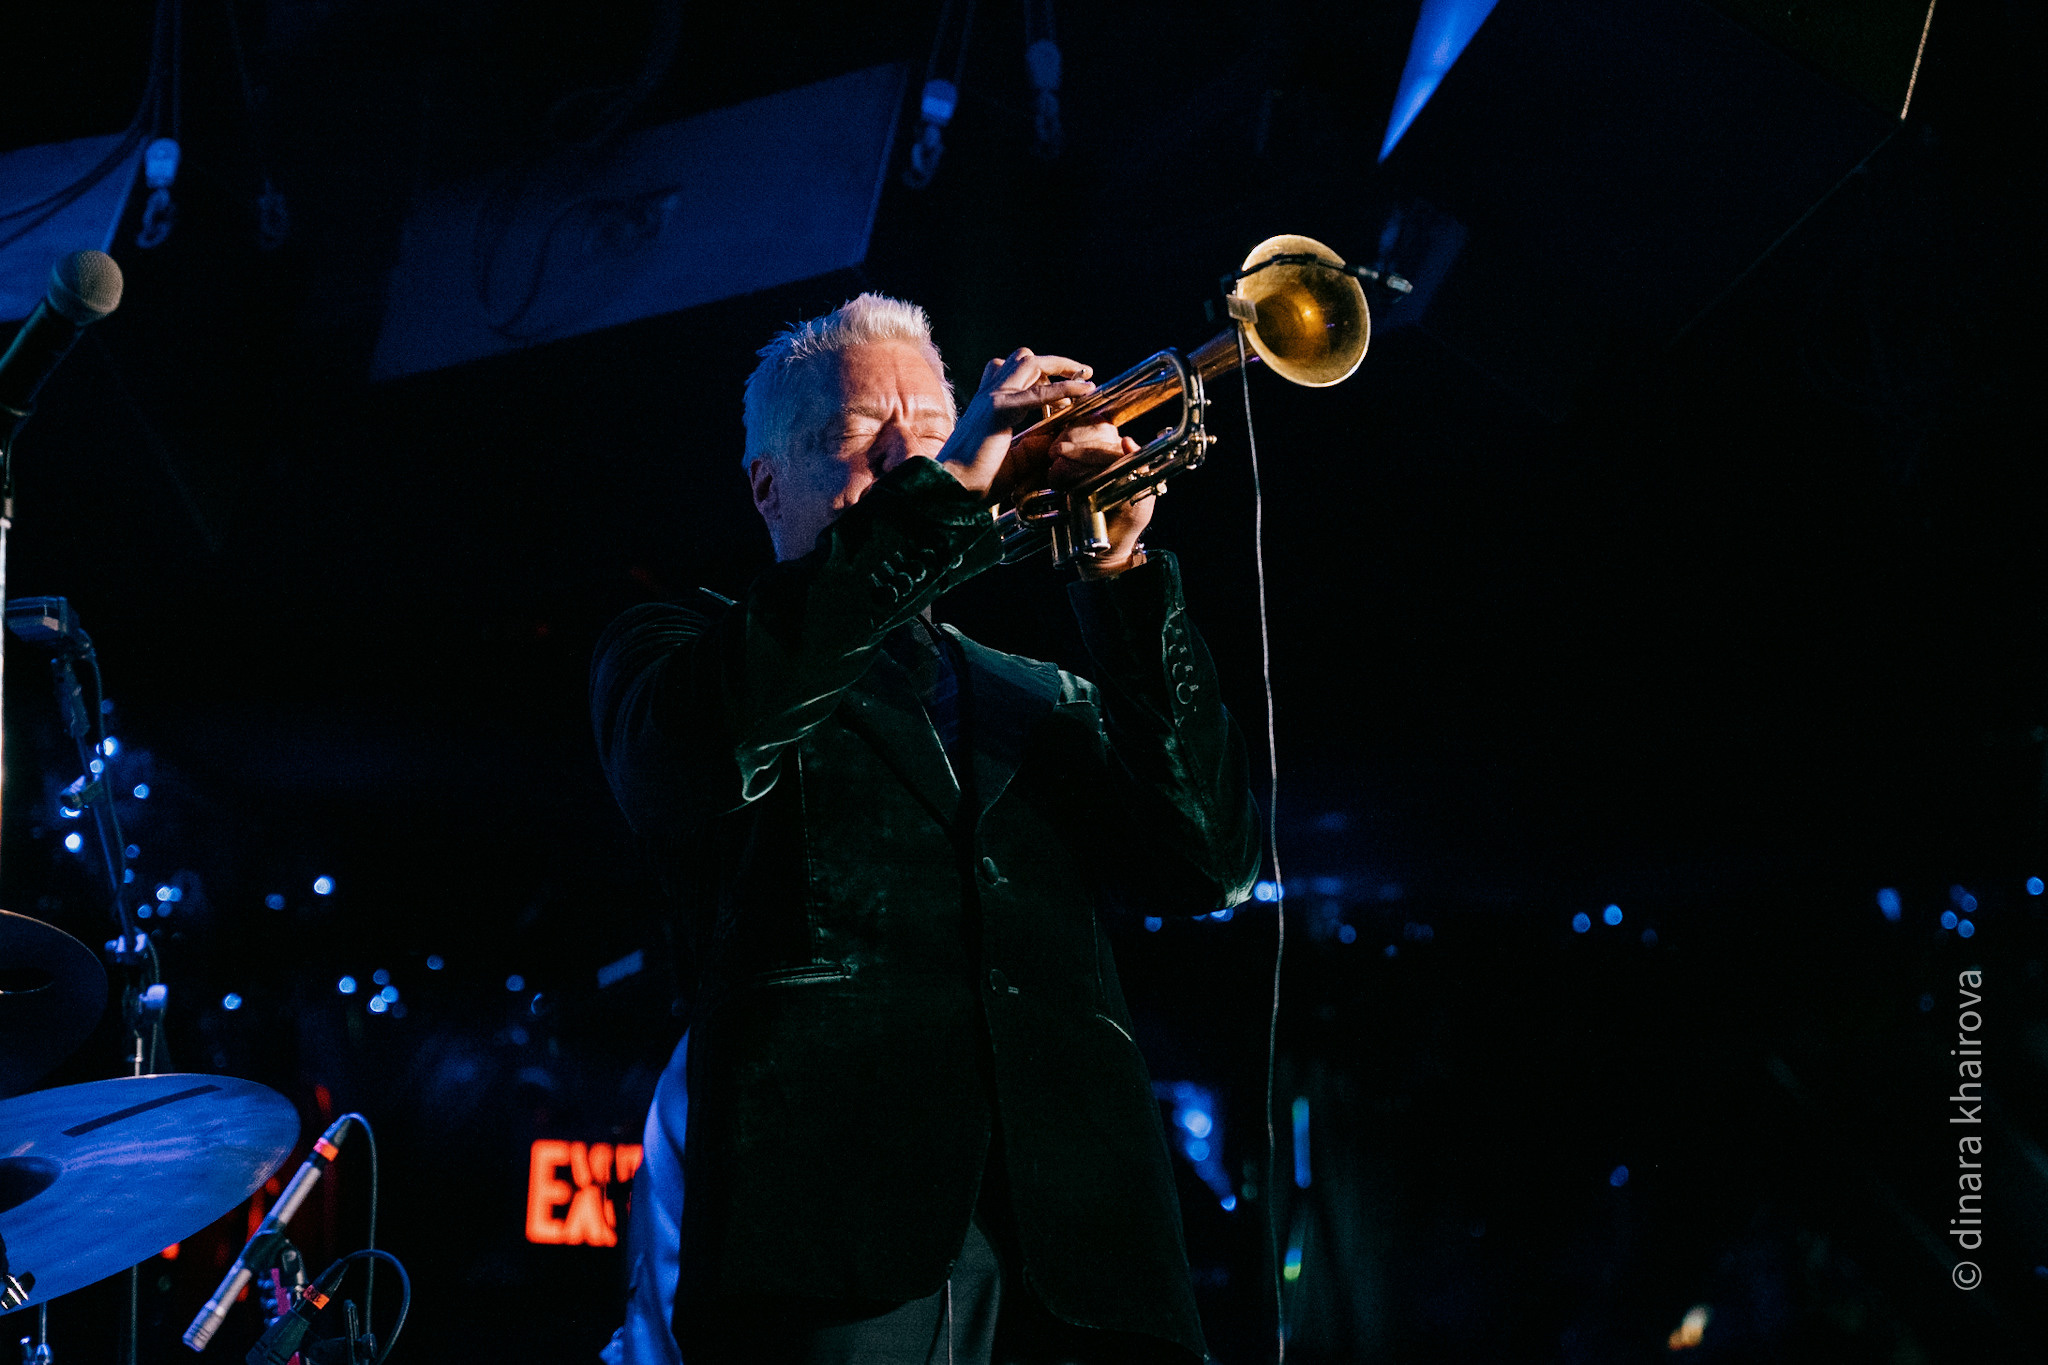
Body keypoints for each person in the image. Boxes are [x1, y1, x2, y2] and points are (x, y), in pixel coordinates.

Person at [591, 293, 1259, 1364]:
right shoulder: (677, 653)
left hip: (1083, 1256)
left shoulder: (1041, 695)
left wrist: (1120, 580)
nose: (908, 461)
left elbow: (1209, 862)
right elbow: (699, 762)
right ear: (767, 484)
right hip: (830, 1246)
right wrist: (943, 489)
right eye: (861, 437)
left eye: (932, 430)